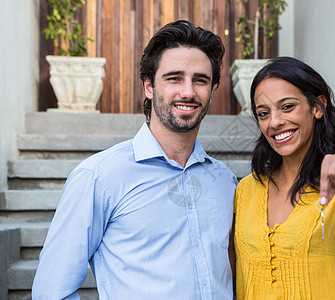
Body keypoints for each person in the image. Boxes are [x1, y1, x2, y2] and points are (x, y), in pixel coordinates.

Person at [32, 20, 237, 299]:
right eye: (174, 78)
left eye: (200, 80)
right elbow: (51, 291)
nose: (188, 92)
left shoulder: (225, 181)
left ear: (212, 89)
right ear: (149, 86)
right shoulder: (99, 177)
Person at [232, 56, 335, 299]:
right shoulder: (245, 189)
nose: (274, 122)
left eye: (287, 106)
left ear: (317, 107)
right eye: (263, 113)